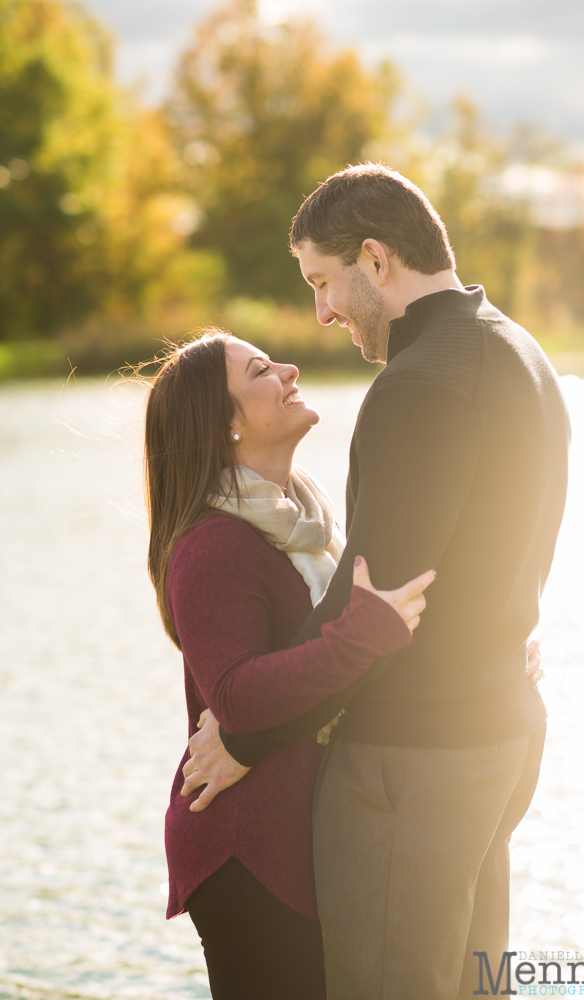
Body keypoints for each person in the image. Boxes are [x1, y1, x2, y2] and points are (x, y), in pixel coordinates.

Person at [186, 163, 570, 1000]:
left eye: (323, 282)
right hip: (500, 734)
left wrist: (246, 734)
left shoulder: (419, 384)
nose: (321, 310)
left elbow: (376, 600)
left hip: (416, 760)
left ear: (375, 257)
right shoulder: (516, 349)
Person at [143, 329, 437, 999]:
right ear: (227, 425)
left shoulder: (301, 523)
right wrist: (363, 633)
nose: (288, 368)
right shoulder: (214, 545)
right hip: (247, 849)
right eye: (260, 370)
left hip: (299, 835)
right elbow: (238, 697)